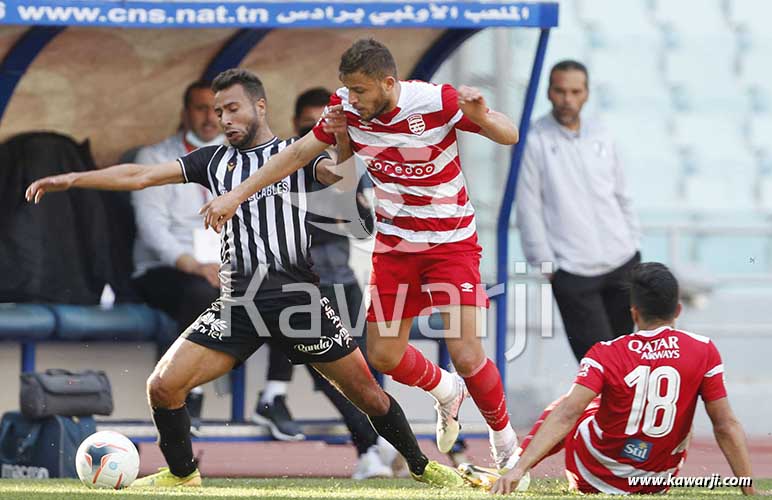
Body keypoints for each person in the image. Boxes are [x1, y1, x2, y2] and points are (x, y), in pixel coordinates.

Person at [25, 68, 465, 489]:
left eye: (232, 109)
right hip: (238, 304)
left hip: (297, 301)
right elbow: (141, 176)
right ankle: (183, 474)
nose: (224, 119)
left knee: (368, 395)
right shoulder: (212, 161)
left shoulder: (294, 153)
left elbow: (338, 180)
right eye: (218, 112)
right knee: (163, 385)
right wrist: (74, 178)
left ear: (260, 106)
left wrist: (346, 149)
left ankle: (424, 467)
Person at [200, 38, 522, 471]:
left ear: (388, 83)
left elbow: (509, 133)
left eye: (360, 91)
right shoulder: (347, 109)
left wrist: (480, 113)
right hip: (395, 249)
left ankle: (505, 444)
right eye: (347, 90)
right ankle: (446, 391)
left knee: (466, 353)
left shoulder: (435, 102)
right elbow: (297, 154)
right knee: (385, 356)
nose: (351, 99)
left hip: (451, 244)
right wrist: (236, 196)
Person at [469, 262, 757, 496]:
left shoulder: (606, 353)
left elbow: (568, 414)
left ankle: (515, 464)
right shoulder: (703, 349)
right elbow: (725, 424)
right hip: (657, 480)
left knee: (573, 403)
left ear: (633, 312)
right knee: (684, 404)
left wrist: (520, 469)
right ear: (678, 310)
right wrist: (749, 488)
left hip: (594, 476)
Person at [129, 80, 303, 440]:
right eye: (202, 109)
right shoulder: (156, 156)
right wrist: (194, 264)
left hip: (227, 268)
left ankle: (274, 397)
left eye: (220, 110)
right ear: (184, 112)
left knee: (285, 291)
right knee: (201, 293)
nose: (212, 118)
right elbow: (152, 230)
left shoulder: (239, 158)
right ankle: (186, 394)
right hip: (169, 269)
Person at [253, 86, 395, 479]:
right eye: (311, 123)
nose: (320, 132)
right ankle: (371, 446)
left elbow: (364, 225)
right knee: (332, 365)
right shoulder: (284, 162)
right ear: (300, 124)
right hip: (296, 283)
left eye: (328, 124)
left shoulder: (343, 166)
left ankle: (373, 441)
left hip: (341, 279)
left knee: (360, 368)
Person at [515, 60, 641, 362]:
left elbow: (622, 192)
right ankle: (601, 412)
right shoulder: (534, 140)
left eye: (575, 91)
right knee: (597, 366)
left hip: (621, 261)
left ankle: (625, 412)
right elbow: (527, 206)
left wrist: (633, 242)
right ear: (548, 92)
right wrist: (548, 266)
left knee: (629, 362)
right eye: (560, 91)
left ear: (586, 93)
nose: (567, 99)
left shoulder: (602, 133)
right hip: (573, 271)